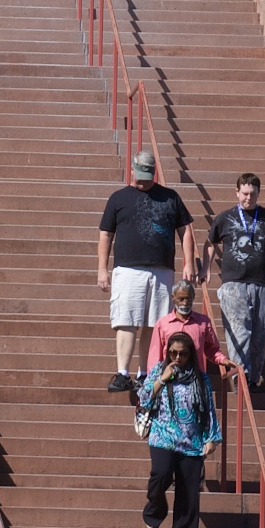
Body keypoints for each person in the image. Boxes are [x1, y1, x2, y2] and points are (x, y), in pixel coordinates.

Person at [96, 150, 195, 392]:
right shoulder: (118, 198)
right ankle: (122, 373)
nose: (143, 180)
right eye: (139, 175)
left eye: (148, 175)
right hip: (128, 269)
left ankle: (145, 372)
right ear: (131, 169)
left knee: (155, 323)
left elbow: (186, 231)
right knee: (126, 320)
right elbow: (105, 234)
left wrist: (189, 262)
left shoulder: (170, 197)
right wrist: (102, 269)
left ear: (155, 172)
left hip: (161, 270)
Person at [133, 331, 219, 528]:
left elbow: (208, 409)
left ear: (190, 354)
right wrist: (162, 380)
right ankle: (155, 509)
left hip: (192, 440)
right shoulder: (159, 372)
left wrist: (211, 438)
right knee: (160, 475)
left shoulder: (201, 378)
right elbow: (142, 398)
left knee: (188, 491)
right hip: (163, 437)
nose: (177, 358)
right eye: (173, 353)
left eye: (182, 353)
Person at [209, 173, 265, 390]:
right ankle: (239, 375)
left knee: (259, 333)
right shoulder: (225, 218)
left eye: (252, 194)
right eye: (244, 193)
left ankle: (253, 378)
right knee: (238, 330)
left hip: (262, 285)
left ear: (258, 194)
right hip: (233, 283)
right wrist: (206, 269)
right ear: (237, 192)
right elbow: (211, 242)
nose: (248, 198)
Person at [146, 279, 228, 396]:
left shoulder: (203, 322)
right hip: (169, 382)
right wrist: (154, 383)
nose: (185, 303)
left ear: (193, 297)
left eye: (188, 299)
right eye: (181, 299)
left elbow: (212, 349)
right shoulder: (162, 324)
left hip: (195, 381)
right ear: (173, 298)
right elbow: (154, 357)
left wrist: (224, 360)